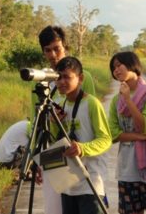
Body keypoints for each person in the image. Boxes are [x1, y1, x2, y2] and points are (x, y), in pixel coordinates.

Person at [36, 25, 97, 214]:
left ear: (65, 46)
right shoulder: (42, 82)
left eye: (57, 48)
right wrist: (36, 161)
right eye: (48, 50)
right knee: (55, 208)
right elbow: (37, 124)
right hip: (53, 153)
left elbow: (89, 114)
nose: (53, 54)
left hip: (79, 154)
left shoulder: (83, 77)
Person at [48, 56, 112, 214]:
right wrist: (55, 123)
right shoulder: (61, 106)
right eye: (59, 77)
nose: (62, 82)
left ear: (81, 78)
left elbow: (106, 139)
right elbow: (57, 141)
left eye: (67, 77)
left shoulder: (91, 103)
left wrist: (83, 148)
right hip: (68, 183)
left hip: (90, 181)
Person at [108, 51, 146, 214]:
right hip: (127, 168)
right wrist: (140, 137)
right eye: (113, 68)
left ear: (132, 64)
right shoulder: (115, 100)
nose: (116, 70)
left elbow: (145, 126)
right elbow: (114, 134)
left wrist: (128, 100)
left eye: (119, 65)